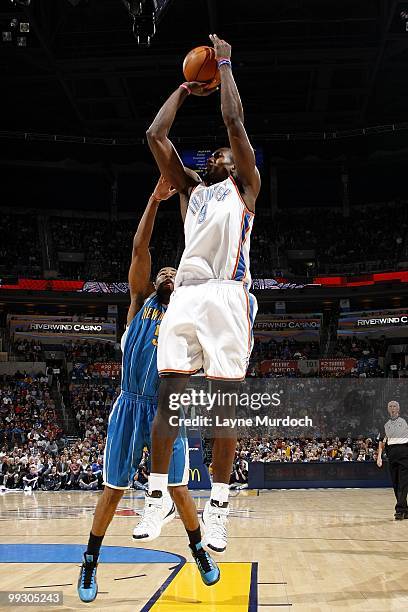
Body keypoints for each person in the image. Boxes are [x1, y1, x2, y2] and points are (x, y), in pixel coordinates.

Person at [77, 177, 219, 604]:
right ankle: (89, 561)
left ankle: (199, 553)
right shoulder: (140, 303)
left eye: (174, 271)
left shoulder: (184, 308)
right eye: (164, 271)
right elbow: (141, 250)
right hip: (128, 406)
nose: (168, 272)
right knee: (113, 489)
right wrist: (155, 201)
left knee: (179, 489)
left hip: (165, 409)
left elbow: (194, 258)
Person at [145, 34, 260, 555]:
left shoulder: (246, 187)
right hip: (187, 295)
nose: (220, 157)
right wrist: (185, 87)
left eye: (226, 156)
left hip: (227, 295)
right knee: (168, 396)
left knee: (223, 408)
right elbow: (155, 134)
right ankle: (158, 493)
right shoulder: (190, 191)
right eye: (213, 155)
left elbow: (234, 123)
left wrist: (227, 66)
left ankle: (218, 506)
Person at [377, 400, 408, 519]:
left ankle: (399, 510)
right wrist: (379, 456)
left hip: (404, 453)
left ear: (398, 409)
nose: (392, 408)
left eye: (395, 406)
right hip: (392, 455)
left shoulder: (405, 420)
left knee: (403, 483)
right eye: (390, 406)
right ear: (388, 409)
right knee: (396, 483)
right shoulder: (385, 424)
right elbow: (382, 442)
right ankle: (405, 510)